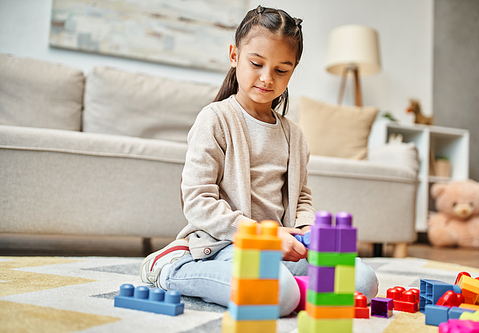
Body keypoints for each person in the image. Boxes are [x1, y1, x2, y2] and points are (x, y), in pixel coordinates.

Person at [140, 5, 378, 317]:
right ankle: (172, 268)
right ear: (234, 56)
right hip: (224, 246)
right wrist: (261, 236)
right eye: (256, 63)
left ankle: (293, 291)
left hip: (280, 248)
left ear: (292, 71)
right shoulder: (215, 119)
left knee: (364, 282)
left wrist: (307, 231)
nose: (267, 78)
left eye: (281, 70)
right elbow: (197, 200)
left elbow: (302, 196)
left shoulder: (294, 134)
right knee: (276, 294)